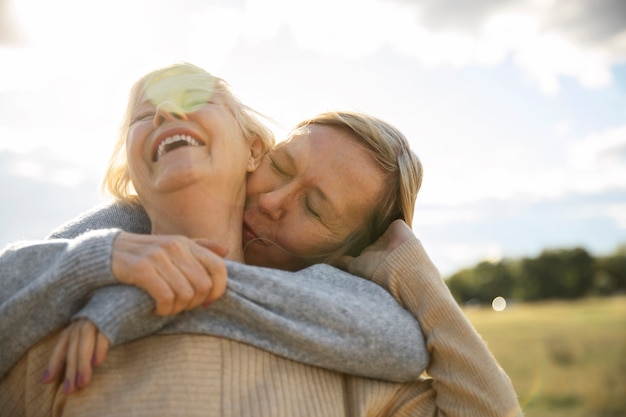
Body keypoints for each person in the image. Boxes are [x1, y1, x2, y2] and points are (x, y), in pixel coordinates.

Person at [0, 63, 522, 416]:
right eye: (281, 165)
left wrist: (407, 268)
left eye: (314, 208)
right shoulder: (66, 341)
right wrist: (101, 263)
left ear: (347, 257)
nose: (272, 201)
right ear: (256, 152)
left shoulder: (357, 373)